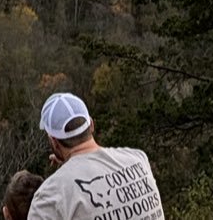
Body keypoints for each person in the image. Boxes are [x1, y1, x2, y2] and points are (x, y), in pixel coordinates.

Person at [27, 93, 163, 220]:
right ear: (91, 125)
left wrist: (68, 173)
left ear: (54, 142)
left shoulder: (48, 197)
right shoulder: (138, 159)